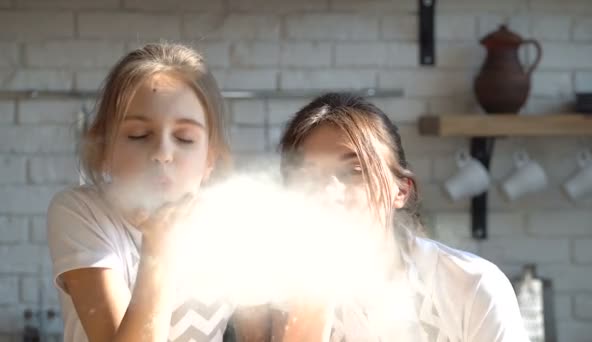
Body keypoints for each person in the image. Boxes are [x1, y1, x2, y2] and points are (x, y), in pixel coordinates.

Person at [47, 43, 265, 342]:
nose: (163, 153)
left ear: (210, 158)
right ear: (105, 150)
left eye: (185, 138)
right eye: (139, 135)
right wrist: (159, 246)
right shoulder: (82, 212)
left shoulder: (232, 224)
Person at [274, 92, 530, 341]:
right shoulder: (273, 296)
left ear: (401, 191)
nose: (329, 193)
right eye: (308, 177)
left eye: (354, 171)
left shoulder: (473, 286)